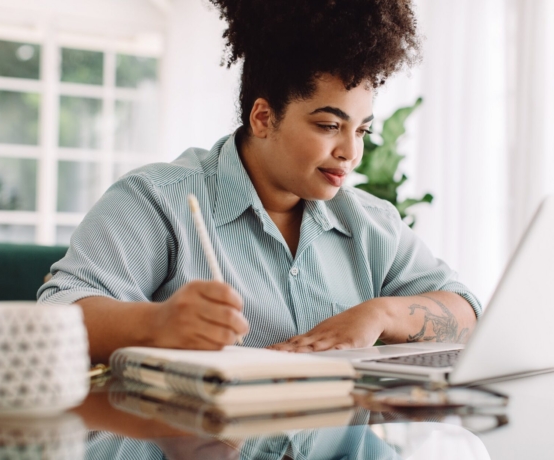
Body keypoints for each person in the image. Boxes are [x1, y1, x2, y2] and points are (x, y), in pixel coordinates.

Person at [38, 0, 481, 363]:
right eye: (329, 125)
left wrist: (380, 313)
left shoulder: (371, 224)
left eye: (362, 129)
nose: (351, 151)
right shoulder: (157, 200)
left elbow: (467, 312)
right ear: (264, 117)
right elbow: (55, 317)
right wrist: (157, 324)